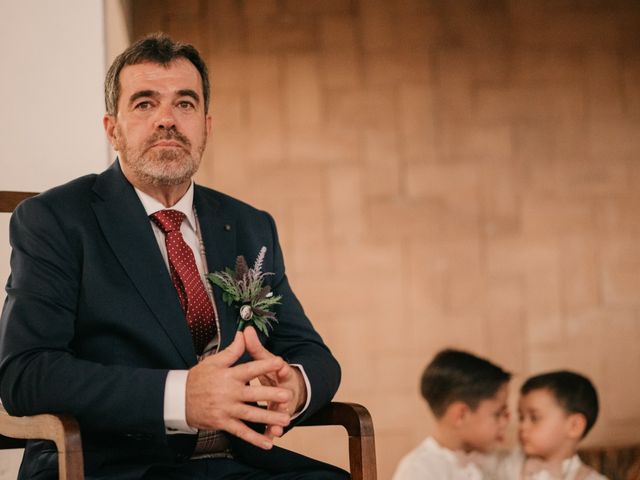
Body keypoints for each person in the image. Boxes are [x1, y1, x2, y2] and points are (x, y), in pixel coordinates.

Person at [0, 33, 347, 480]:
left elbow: (310, 352)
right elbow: (26, 375)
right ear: (113, 129)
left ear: (206, 124)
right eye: (144, 104)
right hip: (112, 465)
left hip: (236, 460)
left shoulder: (249, 224)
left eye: (184, 104)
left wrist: (295, 386)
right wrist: (181, 396)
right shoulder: (54, 220)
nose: (167, 120)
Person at [392, 348, 511, 480]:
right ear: (461, 415)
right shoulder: (417, 470)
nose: (505, 422)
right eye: (498, 414)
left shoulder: (498, 460)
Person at [496, 370, 607, 480]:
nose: (523, 427)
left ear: (574, 426)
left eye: (534, 418)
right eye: (521, 418)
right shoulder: (507, 467)